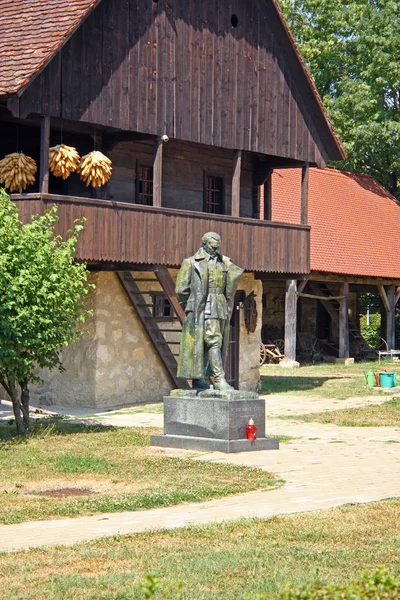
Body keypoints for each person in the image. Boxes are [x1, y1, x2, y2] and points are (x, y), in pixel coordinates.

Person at [175, 232, 243, 391]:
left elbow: (232, 279)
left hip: (219, 305)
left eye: (218, 247)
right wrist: (192, 307)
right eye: (213, 247)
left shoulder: (223, 263)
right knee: (214, 340)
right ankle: (218, 379)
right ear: (204, 244)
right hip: (202, 306)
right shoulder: (190, 263)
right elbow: (181, 290)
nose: (216, 250)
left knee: (209, 343)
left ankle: (199, 379)